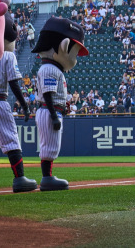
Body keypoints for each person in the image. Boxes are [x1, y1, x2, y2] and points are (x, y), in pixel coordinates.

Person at [32, 16, 89, 191]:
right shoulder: (49, 68)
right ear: (64, 46)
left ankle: (47, 176)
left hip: (52, 110)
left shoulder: (52, 68)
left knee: (51, 144)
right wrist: (53, 115)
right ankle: (47, 178)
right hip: (49, 111)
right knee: (49, 145)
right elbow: (48, 95)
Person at [0, 12, 38, 196]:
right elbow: (14, 83)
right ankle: (20, 178)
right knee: (10, 140)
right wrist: (24, 105)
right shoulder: (7, 56)